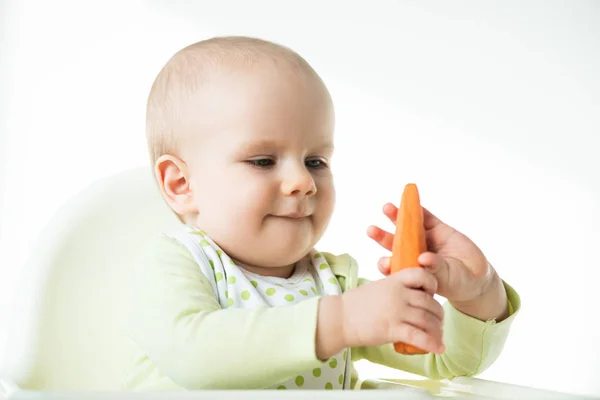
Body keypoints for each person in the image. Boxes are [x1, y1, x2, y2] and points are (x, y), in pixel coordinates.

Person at [122, 36, 520, 391]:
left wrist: (478, 295)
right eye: (263, 160)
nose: (303, 181)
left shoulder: (335, 286)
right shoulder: (174, 265)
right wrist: (339, 322)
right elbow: (196, 356)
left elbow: (447, 360)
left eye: (316, 161)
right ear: (181, 184)